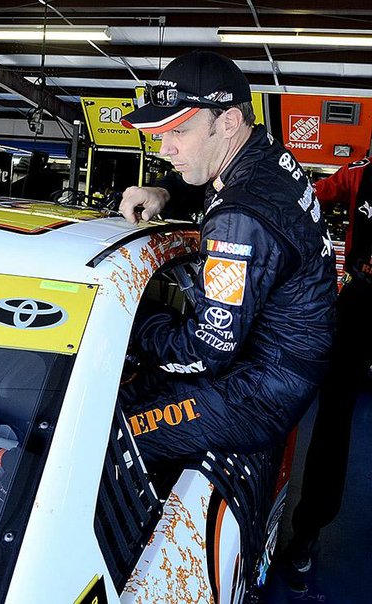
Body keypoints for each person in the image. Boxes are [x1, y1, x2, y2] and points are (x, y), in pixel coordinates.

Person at [115, 50, 337, 465]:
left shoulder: (239, 220)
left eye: (178, 131)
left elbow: (205, 351)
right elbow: (214, 177)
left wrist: (130, 322)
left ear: (228, 121)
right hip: (285, 361)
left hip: (262, 390)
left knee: (103, 434)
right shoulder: (261, 148)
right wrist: (164, 191)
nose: (165, 148)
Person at [278, 156, 372, 588]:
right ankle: (307, 532)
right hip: (359, 303)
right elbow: (308, 197)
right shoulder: (360, 174)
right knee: (333, 419)